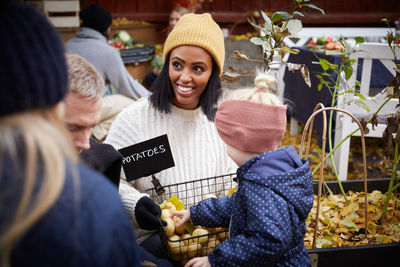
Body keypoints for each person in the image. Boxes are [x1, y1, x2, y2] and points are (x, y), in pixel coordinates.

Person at [0, 1, 141, 266]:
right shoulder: (90, 203)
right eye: (71, 126)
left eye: (90, 127)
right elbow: (130, 88)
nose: (86, 144)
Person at [104, 13, 237, 257]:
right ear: (166, 65)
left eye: (198, 68)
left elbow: (232, 185)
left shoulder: (223, 121)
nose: (184, 77)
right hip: (151, 246)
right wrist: (135, 204)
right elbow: (109, 179)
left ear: (213, 73)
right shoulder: (135, 120)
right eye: (177, 65)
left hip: (208, 244)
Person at [175, 73, 314, 267]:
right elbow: (238, 205)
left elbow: (268, 240)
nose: (224, 146)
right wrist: (197, 213)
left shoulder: (261, 187)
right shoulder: (270, 174)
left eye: (226, 141)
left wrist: (216, 260)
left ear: (241, 138)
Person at [64, 4, 150, 100]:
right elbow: (127, 87)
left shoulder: (67, 46)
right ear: (107, 29)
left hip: (65, 104)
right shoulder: (107, 52)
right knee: (127, 101)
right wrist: (154, 98)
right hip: (91, 107)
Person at [143, 6, 189, 89]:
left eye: (177, 19)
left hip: (182, 73)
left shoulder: (188, 39)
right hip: (169, 71)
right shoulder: (170, 36)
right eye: (171, 19)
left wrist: (164, 72)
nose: (172, 22)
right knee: (150, 77)